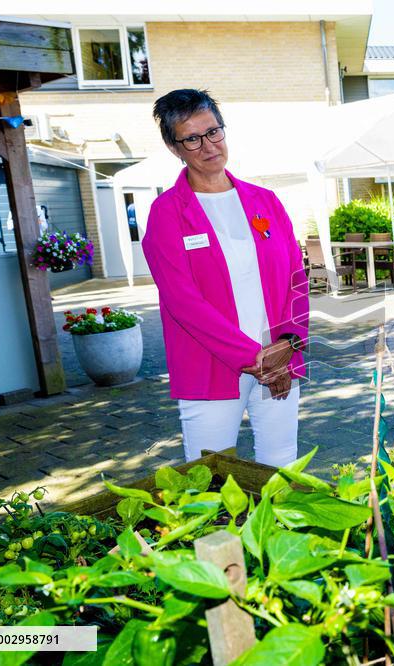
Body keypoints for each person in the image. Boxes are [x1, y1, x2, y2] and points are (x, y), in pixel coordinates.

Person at [142, 89, 309, 467]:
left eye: (213, 131)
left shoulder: (265, 201)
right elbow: (183, 303)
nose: (208, 145)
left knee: (282, 466)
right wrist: (257, 358)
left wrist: (287, 343)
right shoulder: (166, 214)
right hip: (210, 365)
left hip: (279, 358)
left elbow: (297, 279)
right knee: (209, 477)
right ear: (175, 148)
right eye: (192, 138)